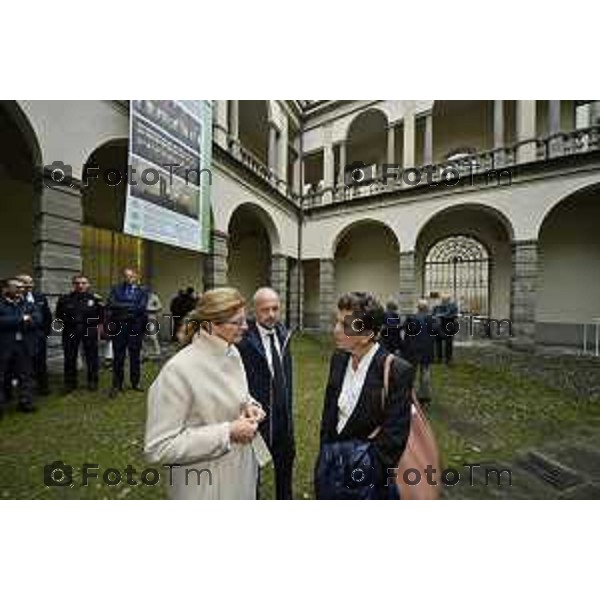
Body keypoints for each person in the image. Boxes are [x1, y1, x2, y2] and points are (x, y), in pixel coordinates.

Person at [145, 287, 267, 500]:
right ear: (210, 325)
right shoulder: (178, 371)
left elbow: (239, 394)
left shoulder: (233, 352)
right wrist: (227, 432)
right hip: (204, 487)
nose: (246, 327)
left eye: (245, 319)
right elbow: (159, 447)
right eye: (237, 322)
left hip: (241, 475)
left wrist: (251, 406)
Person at [315, 291, 414, 500]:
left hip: (367, 483)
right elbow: (330, 414)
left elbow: (393, 440)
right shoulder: (339, 359)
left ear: (368, 334)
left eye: (345, 325)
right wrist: (325, 455)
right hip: (332, 468)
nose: (336, 330)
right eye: (337, 322)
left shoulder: (396, 370)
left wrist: (360, 474)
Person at [237, 287, 295, 500]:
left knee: (286, 466)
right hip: (256, 419)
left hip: (284, 418)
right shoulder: (243, 340)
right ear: (254, 311)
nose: (271, 314)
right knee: (251, 475)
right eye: (265, 310)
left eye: (275, 309)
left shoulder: (284, 334)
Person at [55, 274, 104, 393]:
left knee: (91, 357)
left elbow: (101, 316)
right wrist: (72, 321)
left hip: (89, 330)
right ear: (73, 285)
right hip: (71, 330)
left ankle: (92, 381)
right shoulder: (65, 299)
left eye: (83, 283)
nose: (80, 285)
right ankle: (70, 383)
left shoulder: (95, 299)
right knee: (70, 357)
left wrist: (89, 323)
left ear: (88, 285)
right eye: (77, 283)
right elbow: (59, 315)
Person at [0, 278, 41, 415]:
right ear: (6, 289)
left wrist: (11, 321)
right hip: (4, 346)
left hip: (24, 346)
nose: (20, 290)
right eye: (16, 287)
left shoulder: (29, 305)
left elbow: (37, 320)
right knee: (2, 375)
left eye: (22, 288)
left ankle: (26, 402)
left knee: (26, 375)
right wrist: (22, 319)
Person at [106, 268, 149, 398]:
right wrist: (130, 307)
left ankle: (135, 383)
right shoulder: (116, 289)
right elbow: (111, 303)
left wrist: (122, 307)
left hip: (135, 327)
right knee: (118, 356)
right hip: (119, 327)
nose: (128, 278)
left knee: (135, 356)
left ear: (136, 277)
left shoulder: (143, 291)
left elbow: (141, 307)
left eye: (131, 276)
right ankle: (117, 384)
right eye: (126, 276)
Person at [15, 274, 52, 395]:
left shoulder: (40, 297)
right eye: (25, 283)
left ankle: (43, 387)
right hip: (20, 337)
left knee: (40, 362)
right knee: (23, 364)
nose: (28, 285)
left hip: (39, 336)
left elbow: (47, 317)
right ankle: (24, 389)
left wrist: (45, 333)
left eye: (30, 282)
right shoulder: (13, 298)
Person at [402, 299, 435, 404]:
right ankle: (424, 396)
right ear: (427, 308)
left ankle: (409, 395)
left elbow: (405, 331)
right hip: (427, 349)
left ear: (418, 308)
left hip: (412, 349)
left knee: (411, 373)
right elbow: (438, 333)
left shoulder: (411, 318)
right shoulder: (432, 319)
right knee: (425, 373)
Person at [433, 293, 459, 365]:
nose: (444, 301)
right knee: (439, 343)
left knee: (448, 343)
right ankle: (439, 359)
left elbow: (453, 315)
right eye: (443, 299)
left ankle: (448, 359)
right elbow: (433, 314)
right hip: (440, 326)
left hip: (449, 326)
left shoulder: (453, 306)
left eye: (445, 299)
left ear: (448, 300)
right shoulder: (437, 306)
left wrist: (439, 315)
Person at [145, 291, 163, 359]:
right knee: (143, 336)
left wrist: (150, 309)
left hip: (151, 317)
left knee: (153, 336)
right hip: (142, 318)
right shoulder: (141, 297)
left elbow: (159, 307)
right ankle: (147, 351)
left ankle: (157, 350)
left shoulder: (154, 297)